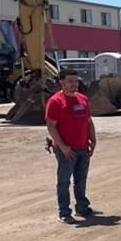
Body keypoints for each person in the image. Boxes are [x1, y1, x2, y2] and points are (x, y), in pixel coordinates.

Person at [45, 69, 97, 223]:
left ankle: (82, 207)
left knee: (81, 179)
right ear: (61, 82)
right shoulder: (55, 101)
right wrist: (63, 147)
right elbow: (51, 126)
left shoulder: (83, 99)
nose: (74, 84)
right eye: (70, 81)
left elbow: (88, 121)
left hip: (83, 147)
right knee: (64, 181)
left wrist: (93, 140)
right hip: (66, 150)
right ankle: (64, 212)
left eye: (76, 81)